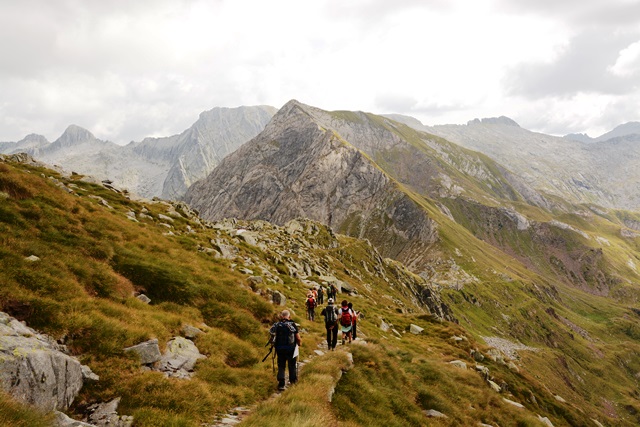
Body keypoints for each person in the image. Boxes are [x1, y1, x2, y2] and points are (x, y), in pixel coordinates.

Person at [269, 310, 301, 390]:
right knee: (292, 365)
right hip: (291, 349)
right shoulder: (292, 324)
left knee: (281, 365)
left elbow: (271, 336)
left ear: (281, 316)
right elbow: (298, 337)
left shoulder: (277, 325)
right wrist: (299, 344)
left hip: (279, 349)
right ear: (289, 316)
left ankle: (281, 384)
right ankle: (293, 381)